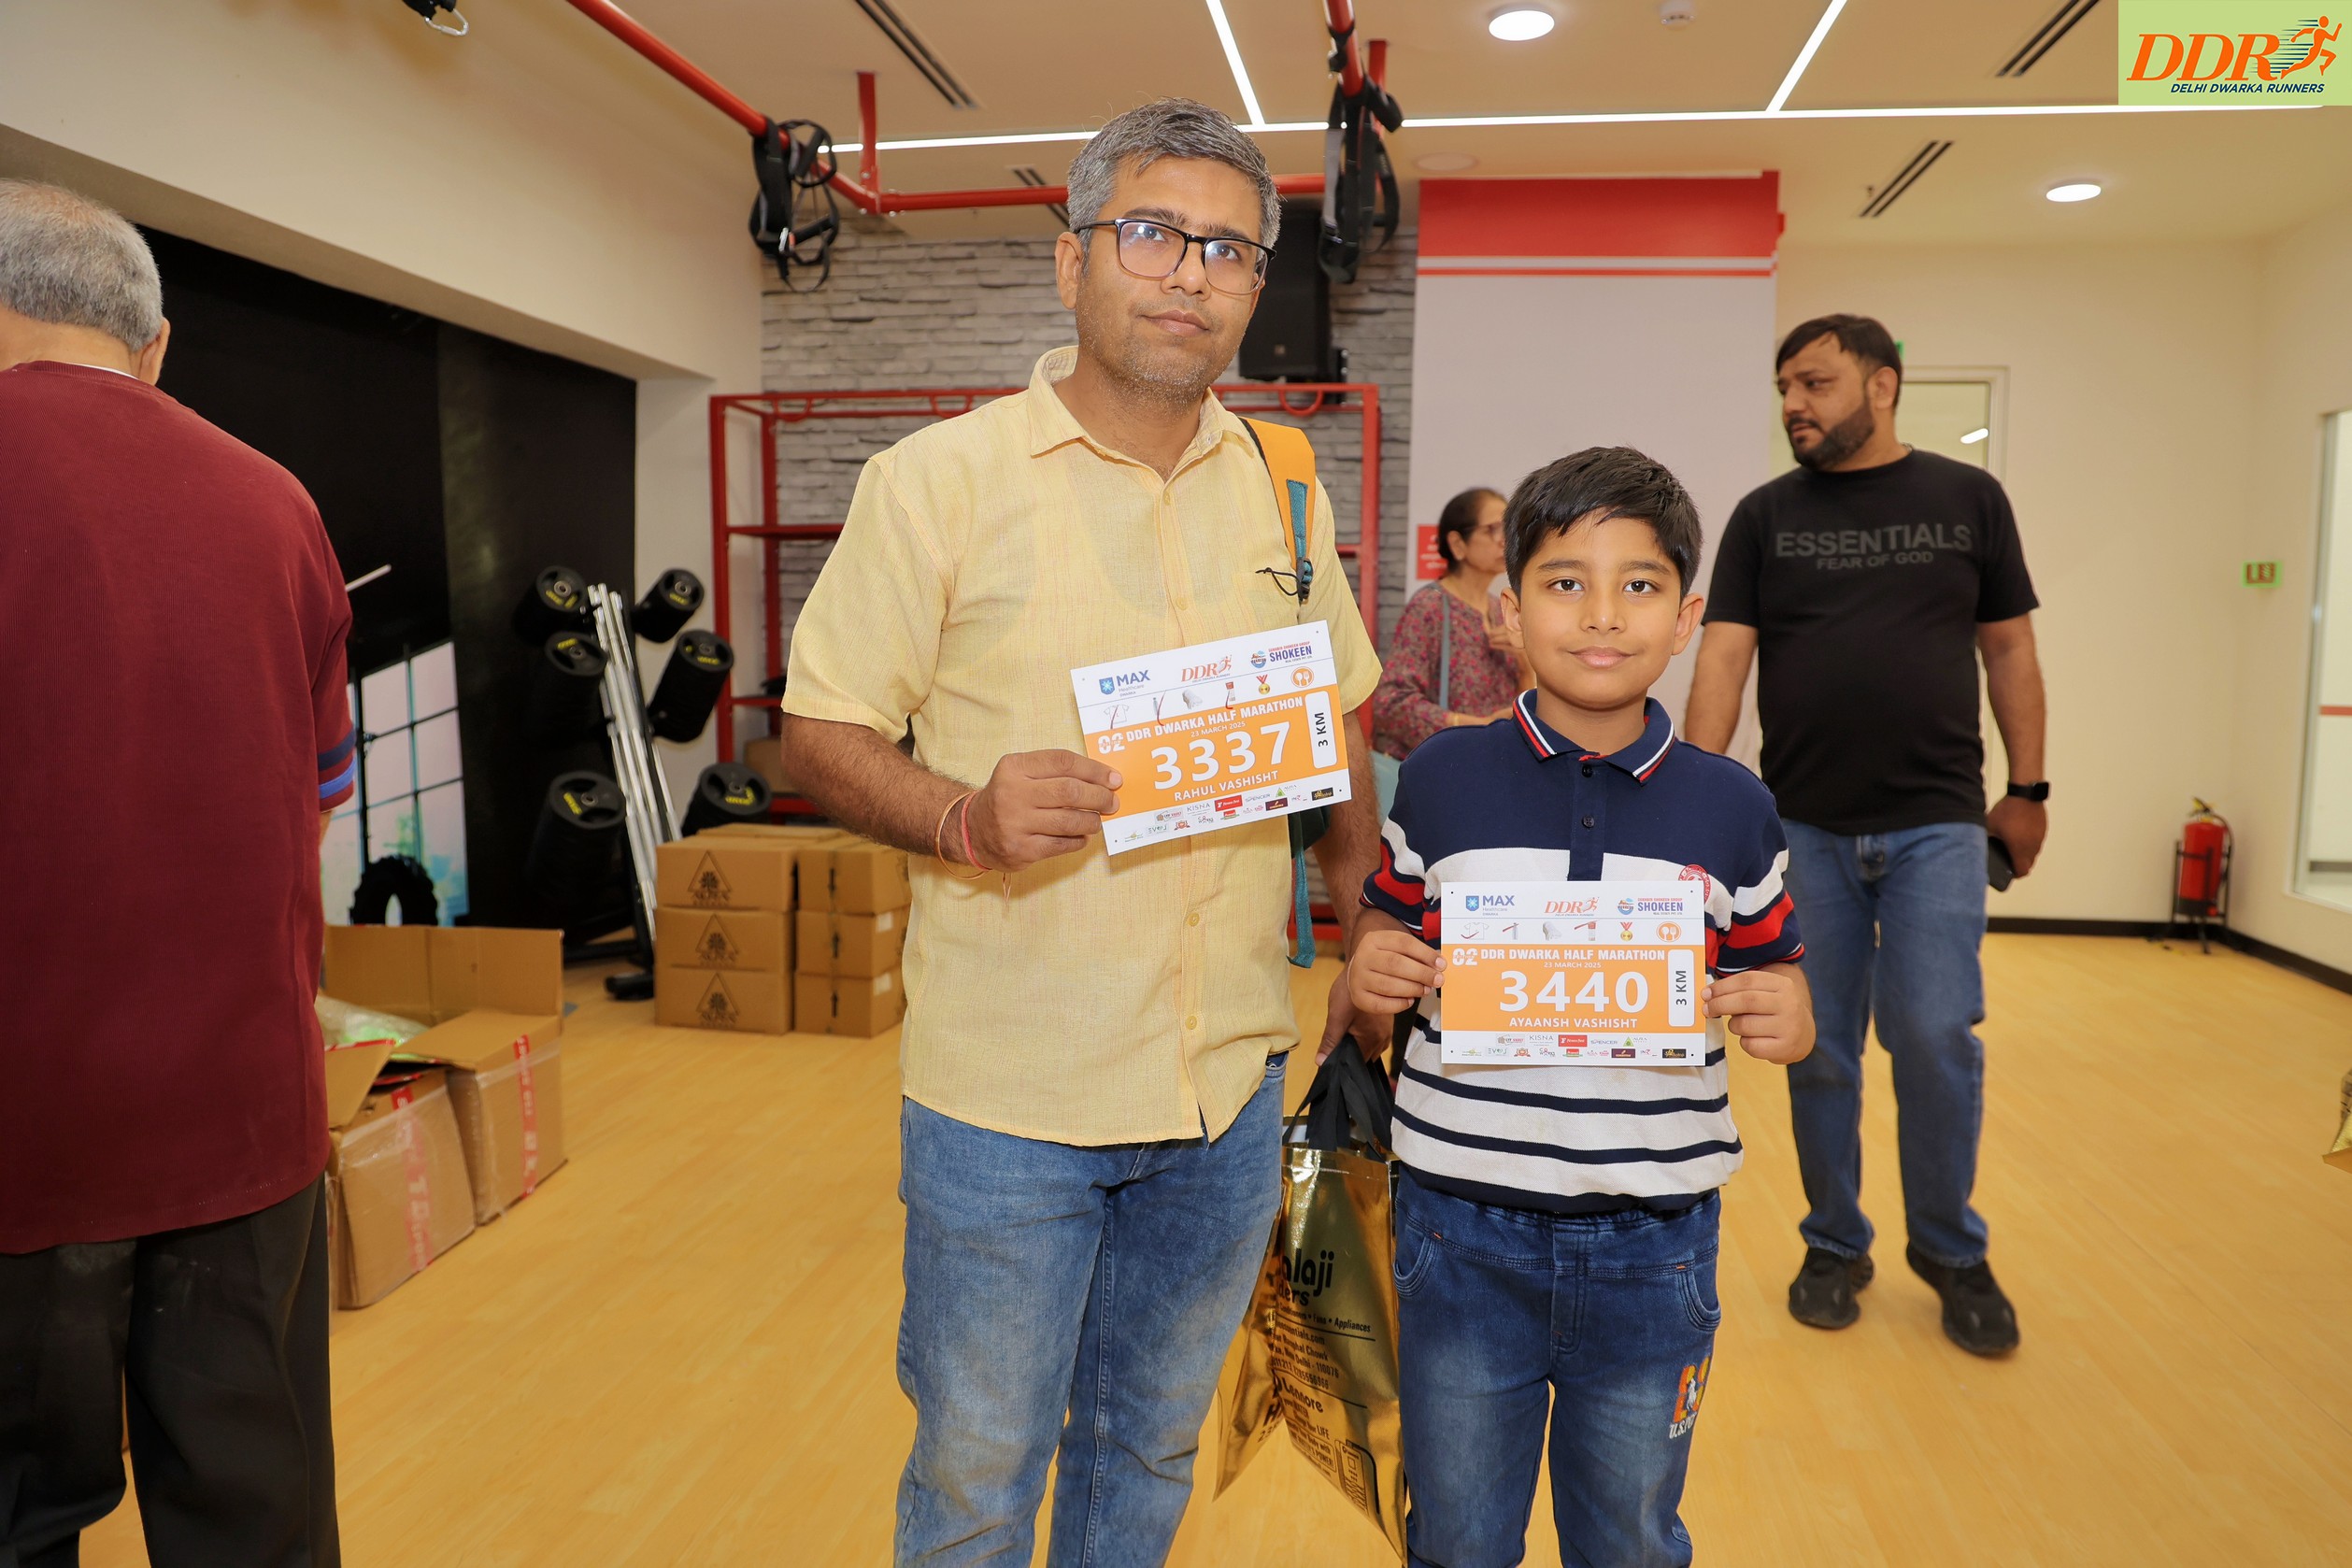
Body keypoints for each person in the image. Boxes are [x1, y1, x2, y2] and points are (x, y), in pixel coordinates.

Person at [778, 100, 1384, 1564]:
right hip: (1009, 1098)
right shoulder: (937, 482)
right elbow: (823, 729)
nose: (1188, 274)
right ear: (1071, 261)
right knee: (979, 1472)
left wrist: (1361, 909)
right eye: (1152, 233)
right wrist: (963, 816)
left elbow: (1335, 709)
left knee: (1146, 1444)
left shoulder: (1286, 484)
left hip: (1224, 1084)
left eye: (1227, 250)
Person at [1347, 448, 1816, 1568]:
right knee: (1457, 1538)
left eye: (1640, 584)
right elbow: (1384, 923)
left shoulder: (1735, 808)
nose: (1603, 614)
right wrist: (1371, 967)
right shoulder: (1445, 780)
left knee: (1629, 1539)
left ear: (1688, 616)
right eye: (1565, 582)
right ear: (1507, 610)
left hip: (1655, 1243)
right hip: (1459, 1230)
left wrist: (1789, 1016)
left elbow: (1781, 972)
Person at [0, 180, 350, 1564]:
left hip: (26, 1140)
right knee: (255, 1523)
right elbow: (315, 803)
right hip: (245, 1126)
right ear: (154, 344)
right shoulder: (277, 501)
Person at [1684, 313, 2046, 1357]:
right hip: (1803, 825)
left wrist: (2028, 787)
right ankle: (1835, 1242)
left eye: (1815, 383)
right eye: (1784, 389)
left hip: (1939, 821)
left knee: (1933, 1035)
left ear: (1882, 384)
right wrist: (1696, 803)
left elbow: (2009, 649)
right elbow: (1723, 660)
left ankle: (1949, 1248)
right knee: (1819, 1048)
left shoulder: (1967, 498)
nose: (1794, 404)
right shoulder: (1765, 516)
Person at [1372, 486, 1523, 759]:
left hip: (1495, 765)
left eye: (1507, 529)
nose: (1504, 541)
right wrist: (1479, 727)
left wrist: (1525, 664)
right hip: (1444, 766)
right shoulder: (1430, 606)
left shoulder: (1503, 609)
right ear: (1457, 544)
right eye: (1492, 529)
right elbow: (1391, 703)